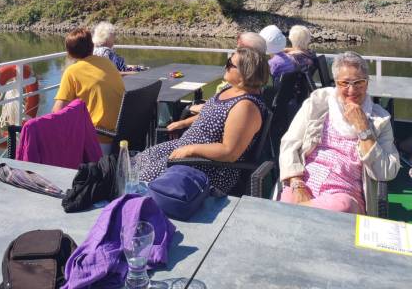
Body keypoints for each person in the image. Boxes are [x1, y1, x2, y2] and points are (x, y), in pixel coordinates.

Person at [134, 47, 269, 194]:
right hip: (186, 152)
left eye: (230, 64)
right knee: (137, 163)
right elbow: (211, 115)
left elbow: (229, 152)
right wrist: (183, 123)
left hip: (208, 167)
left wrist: (190, 150)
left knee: (140, 180)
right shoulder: (231, 88)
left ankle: (131, 206)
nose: (226, 66)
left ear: (245, 72)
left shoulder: (246, 107)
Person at [279, 51, 399, 215]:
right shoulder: (318, 102)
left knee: (341, 207)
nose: (352, 90)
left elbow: (387, 170)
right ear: (336, 82)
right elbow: (290, 142)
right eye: (345, 83)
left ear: (367, 84)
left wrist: (363, 129)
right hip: (303, 182)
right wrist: (296, 182)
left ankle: (291, 215)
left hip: (344, 193)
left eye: (359, 83)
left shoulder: (380, 119)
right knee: (288, 199)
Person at [52, 28, 125, 154]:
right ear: (92, 47)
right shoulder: (107, 63)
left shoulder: (72, 72)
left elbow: (57, 113)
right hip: (119, 135)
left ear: (69, 53)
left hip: (96, 138)